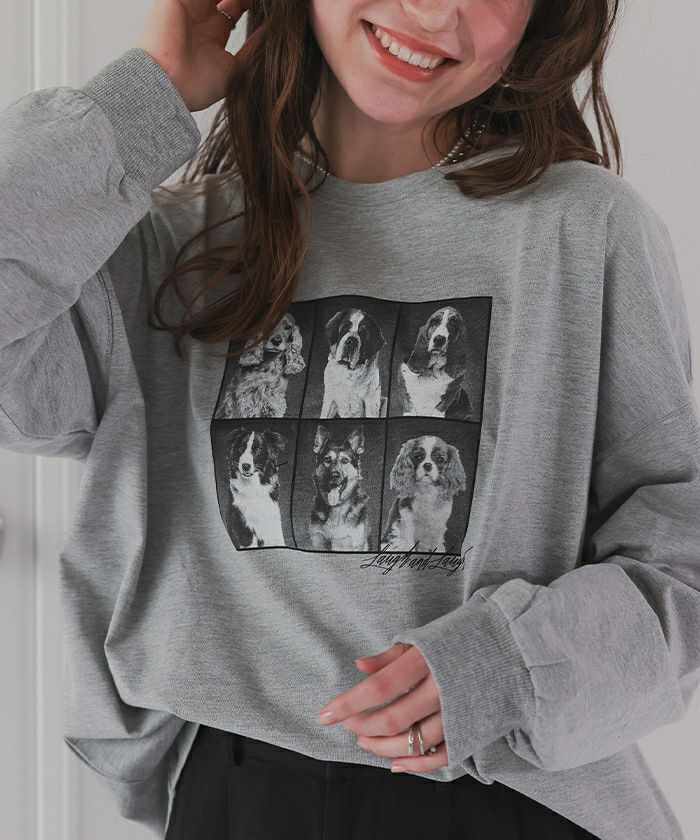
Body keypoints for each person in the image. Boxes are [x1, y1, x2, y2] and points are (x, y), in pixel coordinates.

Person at [1, 0, 698, 838]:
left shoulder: (585, 230)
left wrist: (512, 666)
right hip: (238, 793)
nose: (433, 11)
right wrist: (142, 99)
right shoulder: (167, 251)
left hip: (506, 792)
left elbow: (682, 557)